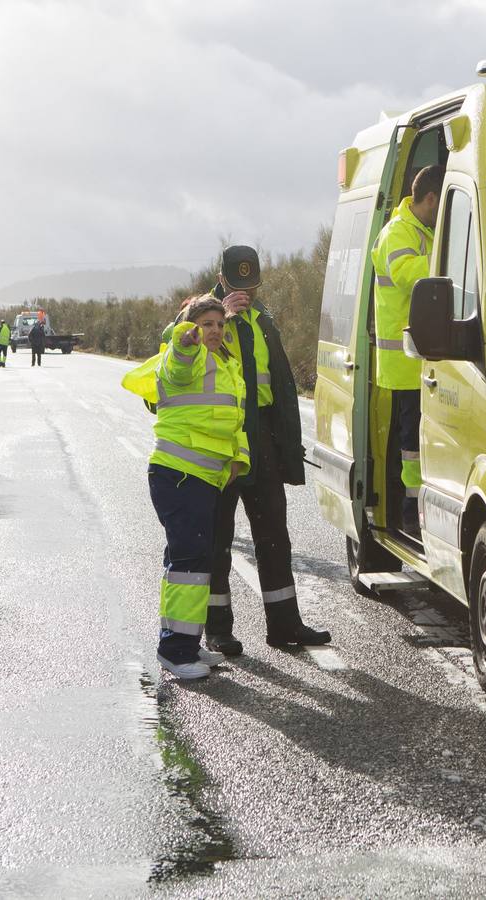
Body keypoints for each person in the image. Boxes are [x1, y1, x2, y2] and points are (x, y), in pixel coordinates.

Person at [162, 246, 330, 657]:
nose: (246, 294)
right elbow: (174, 346)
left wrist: (287, 445)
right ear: (221, 280)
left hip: (264, 437)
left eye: (252, 286)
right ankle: (218, 630)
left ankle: (285, 624)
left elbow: (281, 384)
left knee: (274, 534)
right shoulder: (202, 314)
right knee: (218, 539)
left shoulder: (264, 319)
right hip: (223, 441)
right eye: (237, 287)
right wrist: (224, 318)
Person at [122, 296, 249, 680]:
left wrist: (239, 459)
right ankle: (175, 651)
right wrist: (183, 340)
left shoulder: (226, 364)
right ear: (191, 327)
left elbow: (233, 419)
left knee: (193, 563)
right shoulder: (185, 355)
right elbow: (176, 369)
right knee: (188, 565)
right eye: (207, 324)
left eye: (220, 325)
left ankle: (187, 643)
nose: (215, 331)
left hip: (204, 479)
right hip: (179, 476)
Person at [370, 164, 444, 538]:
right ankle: (411, 511)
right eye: (440, 203)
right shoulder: (398, 233)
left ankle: (419, 507)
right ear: (430, 198)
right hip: (405, 363)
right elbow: (409, 274)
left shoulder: (423, 231)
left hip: (427, 359)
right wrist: (456, 257)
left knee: (422, 439)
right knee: (412, 443)